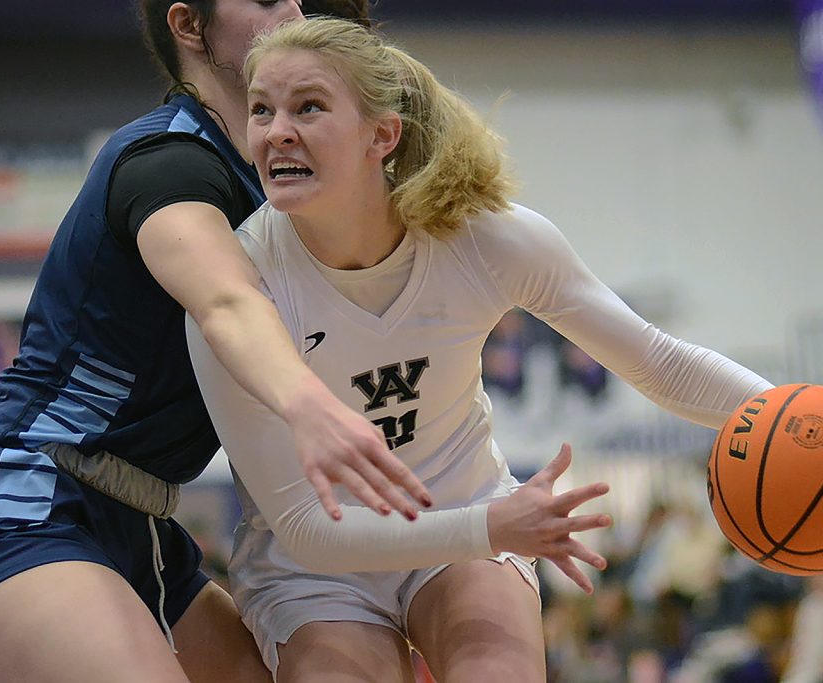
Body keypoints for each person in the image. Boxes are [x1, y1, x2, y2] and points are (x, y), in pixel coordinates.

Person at [184, 17, 775, 681]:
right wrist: (491, 526)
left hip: (458, 513)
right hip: (317, 564)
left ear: (382, 135)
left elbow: (659, 362)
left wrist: (797, 414)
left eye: (308, 107)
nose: (276, 131)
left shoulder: (481, 239)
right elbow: (304, 526)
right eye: (261, 109)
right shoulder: (236, 284)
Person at [0, 2, 432, 682]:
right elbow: (226, 301)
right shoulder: (168, 161)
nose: (293, 9)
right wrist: (310, 406)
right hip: (25, 498)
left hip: (143, 523)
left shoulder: (286, 189)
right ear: (189, 26)